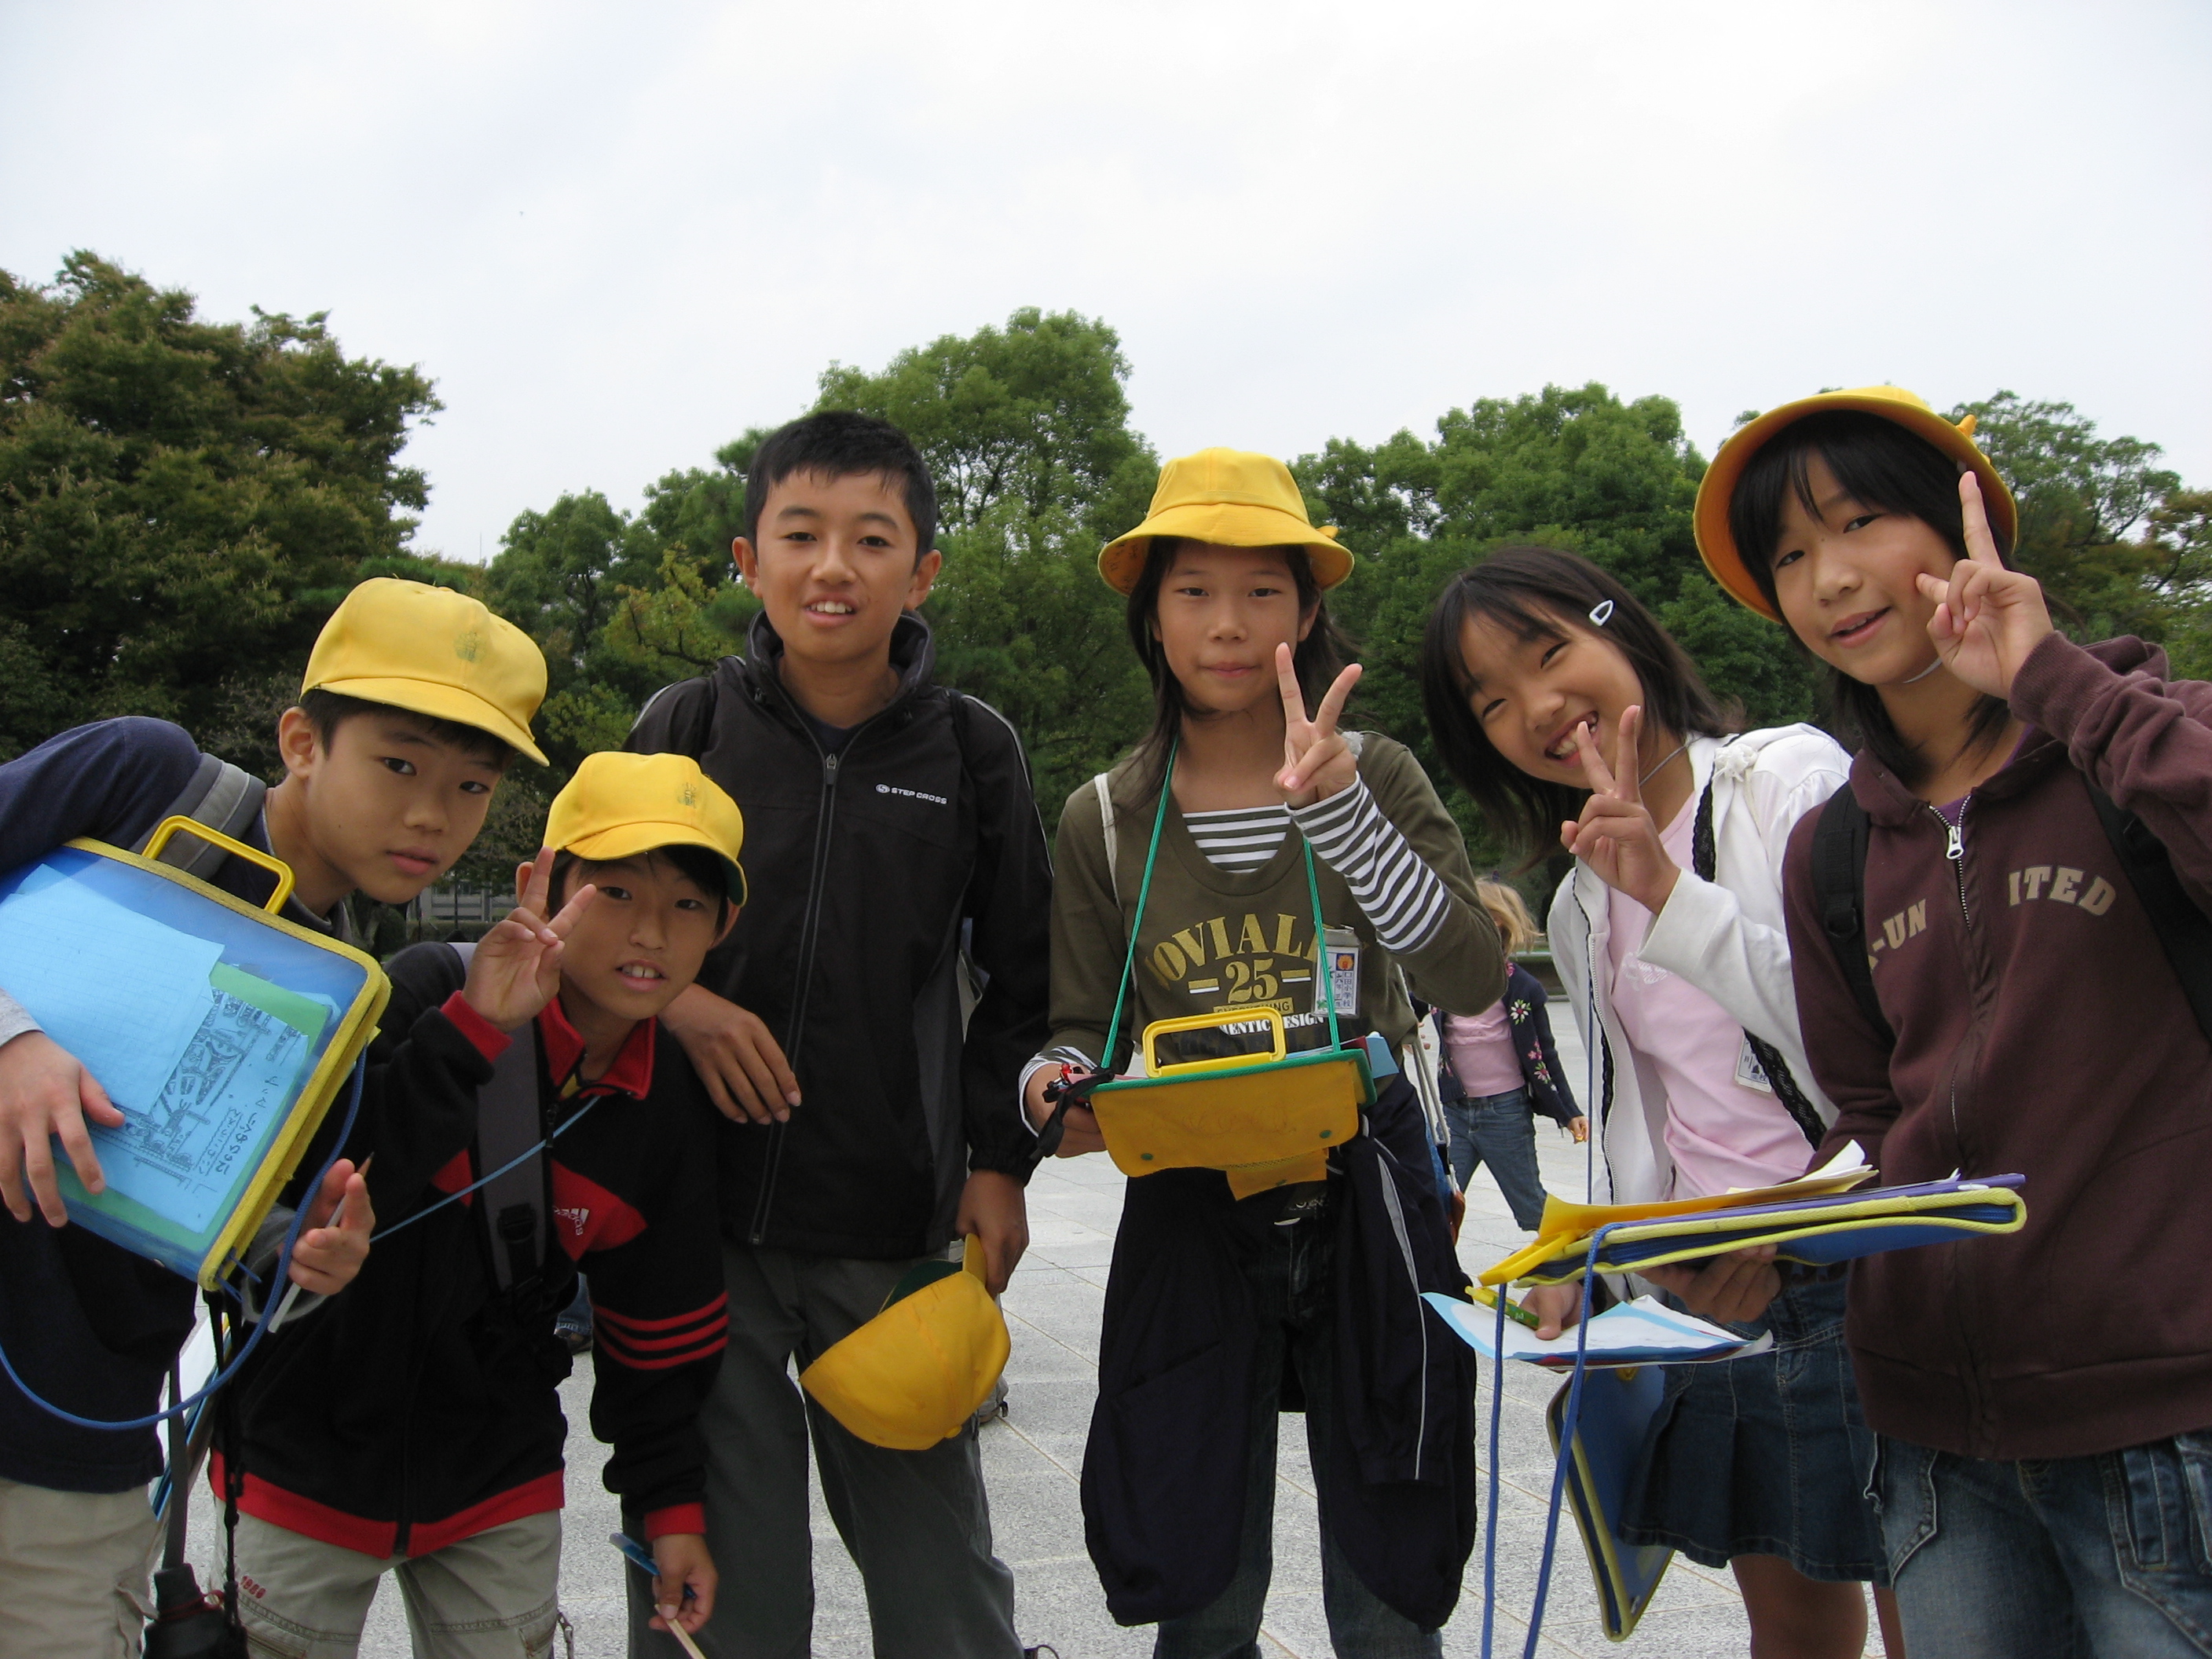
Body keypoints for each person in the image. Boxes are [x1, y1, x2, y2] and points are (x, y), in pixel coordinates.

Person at [1702, 386, 2212, 1657]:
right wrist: (1758, 1238)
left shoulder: (2143, 737)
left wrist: (2055, 682)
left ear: (1967, 520)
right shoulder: (1834, 851)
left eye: (1860, 519)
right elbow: (1880, 1124)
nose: (1828, 578)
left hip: (2162, 1421)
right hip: (1935, 1453)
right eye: (1789, 556)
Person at [0, 577, 540, 1657]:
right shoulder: (146, 779)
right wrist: (12, 1036)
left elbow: (244, 1226)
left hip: (76, 1438)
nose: (433, 813)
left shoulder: (342, 995)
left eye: (472, 786)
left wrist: (299, 1254)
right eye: (399, 765)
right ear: (302, 740)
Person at [1031, 448, 1503, 1657]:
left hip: (1369, 1190)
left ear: (1308, 611)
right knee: (1199, 1571)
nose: (1228, 626)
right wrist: (1051, 1085)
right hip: (1193, 1193)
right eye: (1193, 591)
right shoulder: (1105, 815)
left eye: (1262, 593)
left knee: (1389, 1575)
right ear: (1151, 614)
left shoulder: (1377, 774)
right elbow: (1079, 1021)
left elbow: (1467, 974)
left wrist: (1339, 812)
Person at [624, 411, 1053, 1659]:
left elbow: (1024, 980)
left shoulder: (972, 751)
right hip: (697, 1229)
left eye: (872, 539)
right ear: (747, 560)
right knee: (722, 1591)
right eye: (800, 535)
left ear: (920, 573)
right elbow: (593, 937)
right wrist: (685, 1002)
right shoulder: (682, 730)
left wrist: (997, 1164)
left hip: (892, 1229)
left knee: (940, 1586)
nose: (833, 566)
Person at [1420, 545, 1900, 1658]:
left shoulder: (1781, 781)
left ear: (1620, 627)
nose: (1537, 708)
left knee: (1927, 1604)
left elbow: (1866, 1033)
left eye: (1551, 656)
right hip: (1713, 1293)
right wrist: (1606, 1269)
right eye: (1491, 702)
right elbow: (1655, 1115)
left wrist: (1670, 893)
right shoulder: (1583, 892)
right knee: (1790, 1626)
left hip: (1854, 1270)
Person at [222, 749, 742, 1657]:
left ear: (723, 928)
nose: (651, 933)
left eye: (687, 905)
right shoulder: (429, 988)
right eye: (615, 893)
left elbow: (658, 1334)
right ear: (538, 885)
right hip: (304, 1452)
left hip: (497, 1475)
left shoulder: (667, 1110)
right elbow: (325, 1180)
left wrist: (669, 1508)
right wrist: (475, 1032)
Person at [1431, 879, 1584, 1232]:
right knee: (1439, 1201)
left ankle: (1571, 1274)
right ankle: (1438, 1276)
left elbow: (1544, 1054)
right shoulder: (1443, 980)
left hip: (1505, 1113)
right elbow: (1409, 1005)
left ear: (1495, 924)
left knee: (1530, 1206)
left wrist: (1568, 1111)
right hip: (1456, 1112)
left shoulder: (1522, 987)